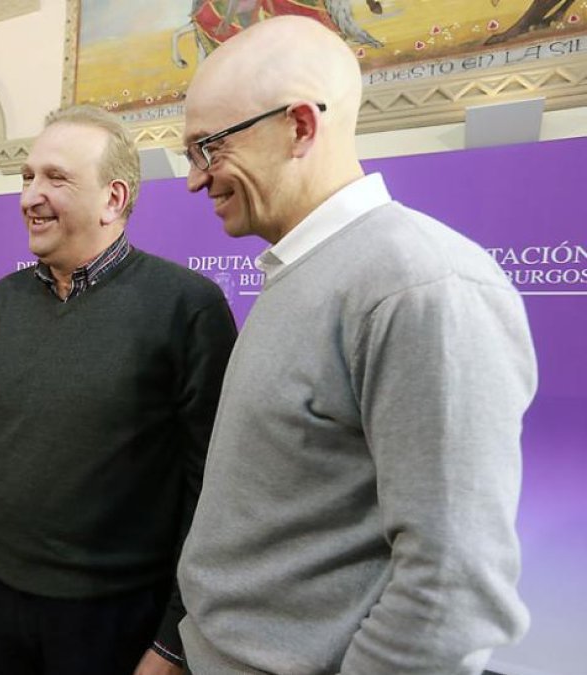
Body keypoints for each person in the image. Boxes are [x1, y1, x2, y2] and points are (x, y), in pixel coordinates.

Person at [175, 16, 536, 674]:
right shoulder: (302, 273)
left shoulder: (419, 283)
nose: (197, 179)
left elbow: (452, 590)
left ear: (301, 126)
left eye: (210, 148)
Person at [0, 105, 238, 675]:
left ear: (114, 198)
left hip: (111, 621)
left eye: (56, 178)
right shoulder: (1, 301)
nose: (29, 196)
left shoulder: (188, 307)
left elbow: (211, 491)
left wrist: (173, 638)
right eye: (27, 176)